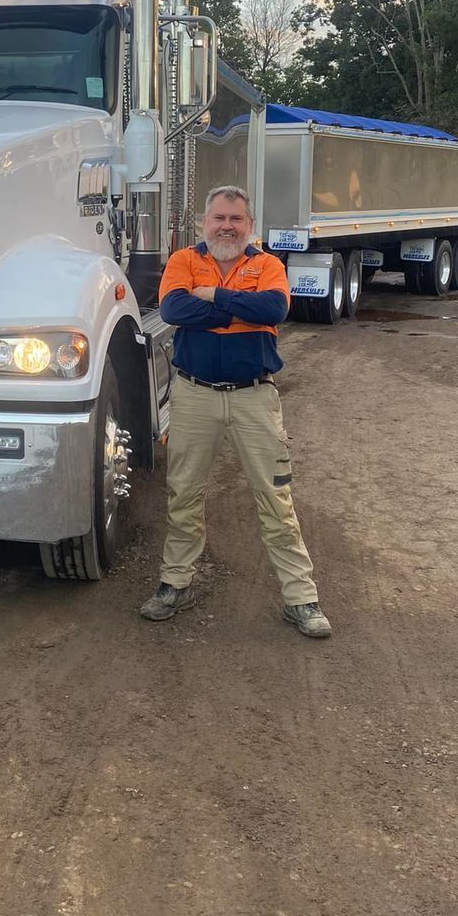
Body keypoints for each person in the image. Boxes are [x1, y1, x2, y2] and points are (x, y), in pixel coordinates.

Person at [139, 185, 331, 637]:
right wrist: (234, 312)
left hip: (254, 397)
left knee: (275, 498)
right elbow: (172, 308)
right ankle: (176, 583)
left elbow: (275, 307)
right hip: (194, 396)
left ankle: (301, 599)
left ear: (250, 225)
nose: (227, 226)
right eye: (219, 218)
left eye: (236, 219)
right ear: (203, 223)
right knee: (183, 493)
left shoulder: (267, 265)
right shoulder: (184, 261)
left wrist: (213, 296)